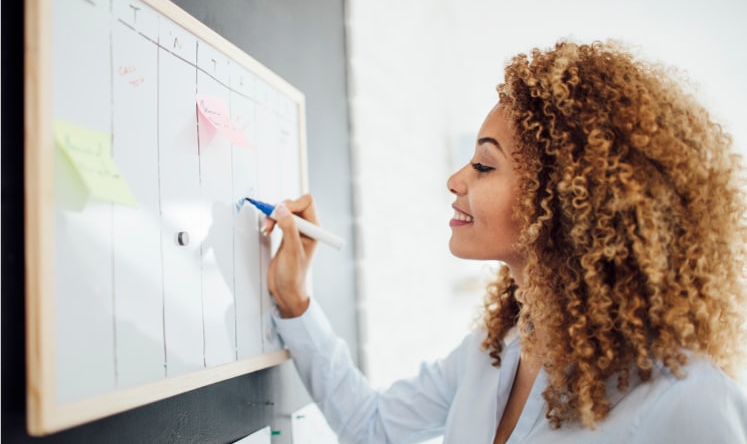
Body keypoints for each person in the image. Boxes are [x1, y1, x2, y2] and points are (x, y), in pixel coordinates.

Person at [261, 40, 747, 443]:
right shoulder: (489, 355)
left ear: (565, 199)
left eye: (484, 166)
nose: (455, 180)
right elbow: (371, 426)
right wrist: (295, 300)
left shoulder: (685, 401)